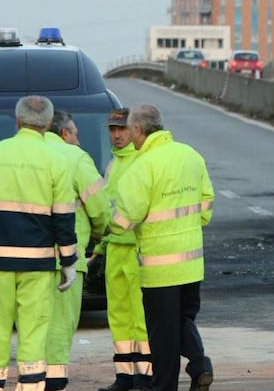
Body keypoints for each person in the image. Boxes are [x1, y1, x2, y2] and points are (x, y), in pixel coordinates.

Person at [0, 96, 78, 391]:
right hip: (38, 265)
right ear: (49, 124)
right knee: (34, 333)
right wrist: (69, 262)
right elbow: (63, 219)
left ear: (17, 121)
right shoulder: (57, 161)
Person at [109, 105, 215, 391]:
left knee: (162, 334)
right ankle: (199, 365)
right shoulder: (191, 155)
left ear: (138, 131)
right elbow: (206, 205)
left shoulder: (142, 167)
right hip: (192, 263)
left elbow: (124, 220)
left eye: (129, 129)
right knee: (183, 320)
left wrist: (106, 228)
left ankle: (165, 386)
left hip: (159, 269)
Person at [43, 110, 111, 391]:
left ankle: (30, 375)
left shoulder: (20, 156)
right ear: (64, 134)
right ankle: (54, 377)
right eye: (76, 134)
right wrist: (97, 234)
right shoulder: (76, 159)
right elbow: (101, 211)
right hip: (65, 260)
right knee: (60, 322)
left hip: (21, 260)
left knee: (32, 322)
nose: (79, 141)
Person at [95, 108, 154, 391]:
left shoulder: (141, 161)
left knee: (140, 316)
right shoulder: (112, 165)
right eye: (112, 129)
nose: (117, 135)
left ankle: (145, 376)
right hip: (114, 250)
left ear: (134, 130)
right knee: (117, 316)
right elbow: (108, 211)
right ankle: (124, 376)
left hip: (135, 250)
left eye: (122, 129)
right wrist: (101, 246)